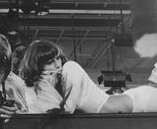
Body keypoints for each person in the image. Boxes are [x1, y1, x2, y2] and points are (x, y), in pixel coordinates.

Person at [20, 39, 157, 114]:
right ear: (37, 67)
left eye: (58, 58)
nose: (58, 64)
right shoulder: (43, 86)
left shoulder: (70, 68)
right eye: (50, 62)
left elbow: (67, 110)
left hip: (138, 101)